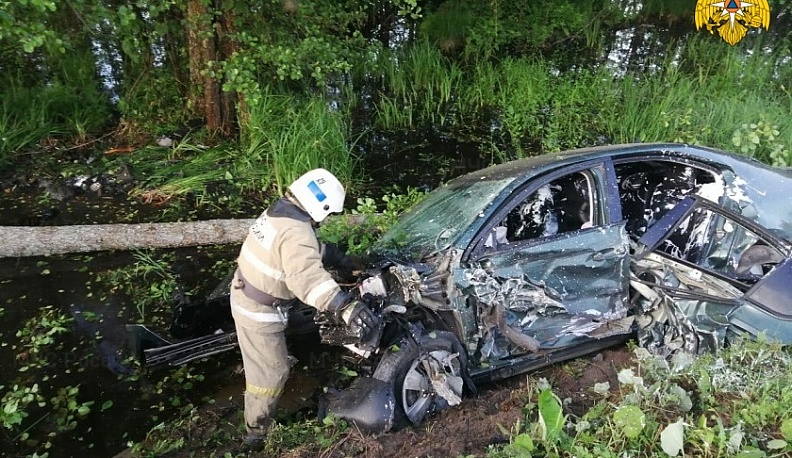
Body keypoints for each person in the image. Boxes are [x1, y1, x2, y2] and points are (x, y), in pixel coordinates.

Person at [229, 168, 380, 447]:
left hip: (248, 290)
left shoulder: (281, 212)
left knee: (297, 334)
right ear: (320, 208)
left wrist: (334, 256)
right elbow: (307, 281)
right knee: (272, 373)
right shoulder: (297, 233)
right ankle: (255, 433)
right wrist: (344, 306)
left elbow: (294, 251)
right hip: (258, 310)